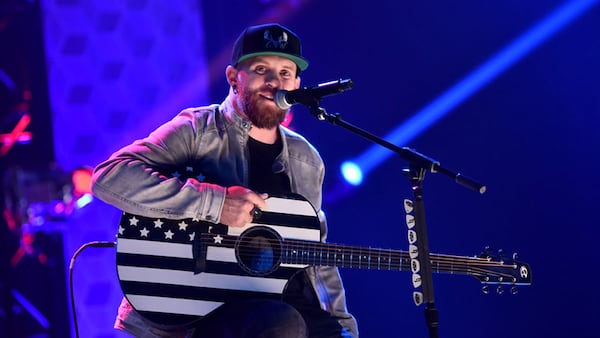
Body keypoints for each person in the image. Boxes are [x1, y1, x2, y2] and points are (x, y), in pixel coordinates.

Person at [91, 23, 358, 338]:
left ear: (297, 84)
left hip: (286, 301)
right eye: (262, 69)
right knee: (281, 323)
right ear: (234, 78)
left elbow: (316, 254)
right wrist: (213, 203)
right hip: (206, 307)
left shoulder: (306, 159)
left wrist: (343, 325)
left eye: (286, 73)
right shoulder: (198, 129)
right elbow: (109, 176)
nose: (275, 82)